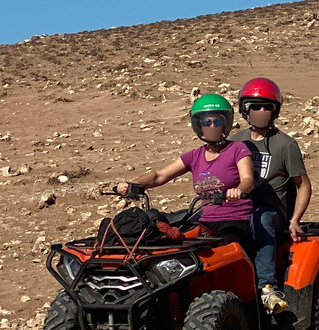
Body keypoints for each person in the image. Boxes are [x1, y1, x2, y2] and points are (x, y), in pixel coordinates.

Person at [116, 94, 284, 313]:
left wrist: (238, 191)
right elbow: (159, 176)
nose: (212, 126)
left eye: (218, 121)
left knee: (224, 258)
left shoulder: (238, 149)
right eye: (207, 121)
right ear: (198, 125)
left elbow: (247, 180)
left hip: (234, 220)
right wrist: (132, 185)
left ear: (227, 122)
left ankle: (253, 299)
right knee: (175, 251)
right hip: (204, 221)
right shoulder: (194, 156)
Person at [229, 77, 312, 315]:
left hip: (272, 212)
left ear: (276, 110)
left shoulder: (285, 145)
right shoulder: (235, 141)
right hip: (239, 208)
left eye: (268, 106)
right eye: (256, 106)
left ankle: (267, 288)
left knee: (260, 219)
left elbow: (303, 185)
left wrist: (295, 219)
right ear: (245, 109)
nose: (262, 111)